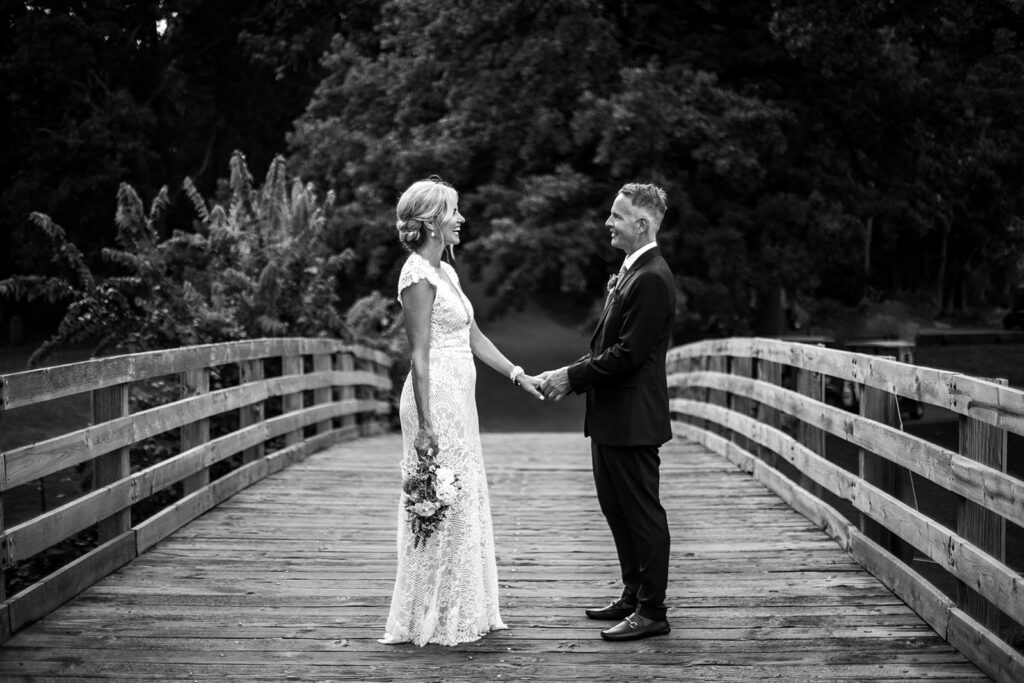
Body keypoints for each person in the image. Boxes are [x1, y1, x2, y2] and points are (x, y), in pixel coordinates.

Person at [380, 176, 544, 646]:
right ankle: (428, 613)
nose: (461, 219)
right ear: (433, 222)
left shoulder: (446, 273)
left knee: (461, 496)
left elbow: (473, 337)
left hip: (459, 401)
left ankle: (461, 604)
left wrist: (518, 374)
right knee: (440, 497)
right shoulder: (416, 274)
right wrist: (426, 425)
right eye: (454, 211)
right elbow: (420, 354)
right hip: (435, 402)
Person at [540, 183, 676, 642]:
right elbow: (611, 342)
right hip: (612, 418)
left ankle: (652, 611)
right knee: (615, 509)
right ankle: (633, 594)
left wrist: (569, 376)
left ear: (642, 224)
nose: (608, 223)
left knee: (642, 514)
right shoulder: (631, 272)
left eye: (617, 216)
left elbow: (627, 354)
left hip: (634, 420)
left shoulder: (654, 277)